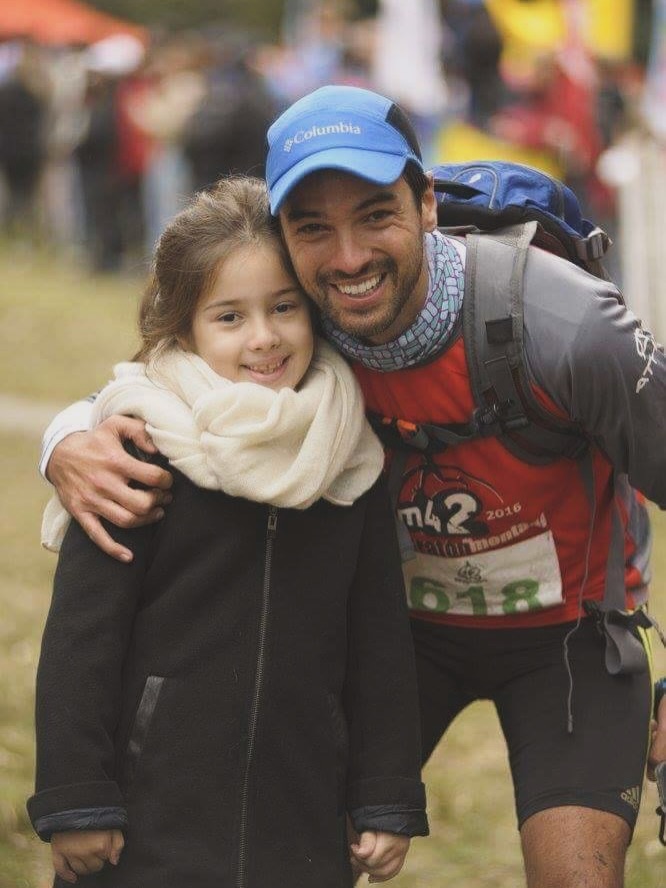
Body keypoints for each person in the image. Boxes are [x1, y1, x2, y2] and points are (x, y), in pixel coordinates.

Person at [40, 86, 666, 887]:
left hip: (569, 640)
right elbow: (173, 385)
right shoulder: (304, 319)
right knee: (292, 849)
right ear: (286, 243)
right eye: (313, 230)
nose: (348, 257)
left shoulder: (567, 327)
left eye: (376, 215)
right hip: (400, 639)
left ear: (427, 204)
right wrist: (65, 439)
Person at [28, 175, 428, 888]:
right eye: (230, 317)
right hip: (146, 830)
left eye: (283, 308)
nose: (264, 338)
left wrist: (386, 797)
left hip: (300, 827)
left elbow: (380, 650)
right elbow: (80, 642)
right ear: (183, 328)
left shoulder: (348, 459)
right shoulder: (136, 452)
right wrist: (75, 799)